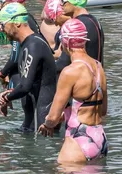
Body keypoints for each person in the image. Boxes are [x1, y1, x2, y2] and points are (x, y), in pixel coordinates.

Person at [39, 19, 108, 163]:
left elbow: (52, 117)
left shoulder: (70, 72)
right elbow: (102, 110)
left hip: (79, 139)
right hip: (99, 138)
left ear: (66, 42)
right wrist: (69, 114)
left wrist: (47, 125)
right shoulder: (98, 66)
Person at [0, 3, 57, 133]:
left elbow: (25, 86)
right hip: (34, 121)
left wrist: (6, 98)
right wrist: (11, 92)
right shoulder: (29, 44)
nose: (2, 29)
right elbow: (31, 80)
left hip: (41, 123)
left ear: (17, 23)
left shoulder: (33, 46)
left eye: (3, 25)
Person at [58, 0, 104, 68]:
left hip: (79, 75)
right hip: (96, 74)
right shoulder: (95, 20)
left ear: (73, 1)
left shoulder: (76, 25)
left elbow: (63, 62)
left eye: (63, 1)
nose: (61, 4)